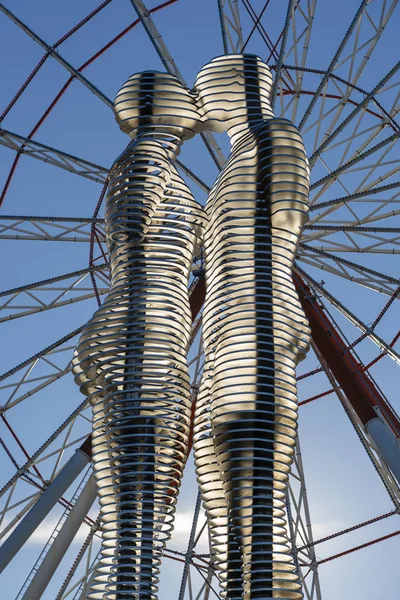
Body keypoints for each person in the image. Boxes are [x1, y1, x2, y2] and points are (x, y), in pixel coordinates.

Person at [73, 71, 205, 599]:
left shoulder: (163, 168)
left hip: (159, 336)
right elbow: (129, 232)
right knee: (134, 508)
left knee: (149, 502)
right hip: (138, 335)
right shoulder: (144, 160)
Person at [193, 54, 311, 599]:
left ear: (234, 87)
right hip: (222, 337)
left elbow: (279, 234)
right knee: (219, 492)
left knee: (257, 503)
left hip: (254, 327)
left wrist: (274, 313)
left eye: (206, 91)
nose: (200, 105)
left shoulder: (274, 136)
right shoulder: (236, 159)